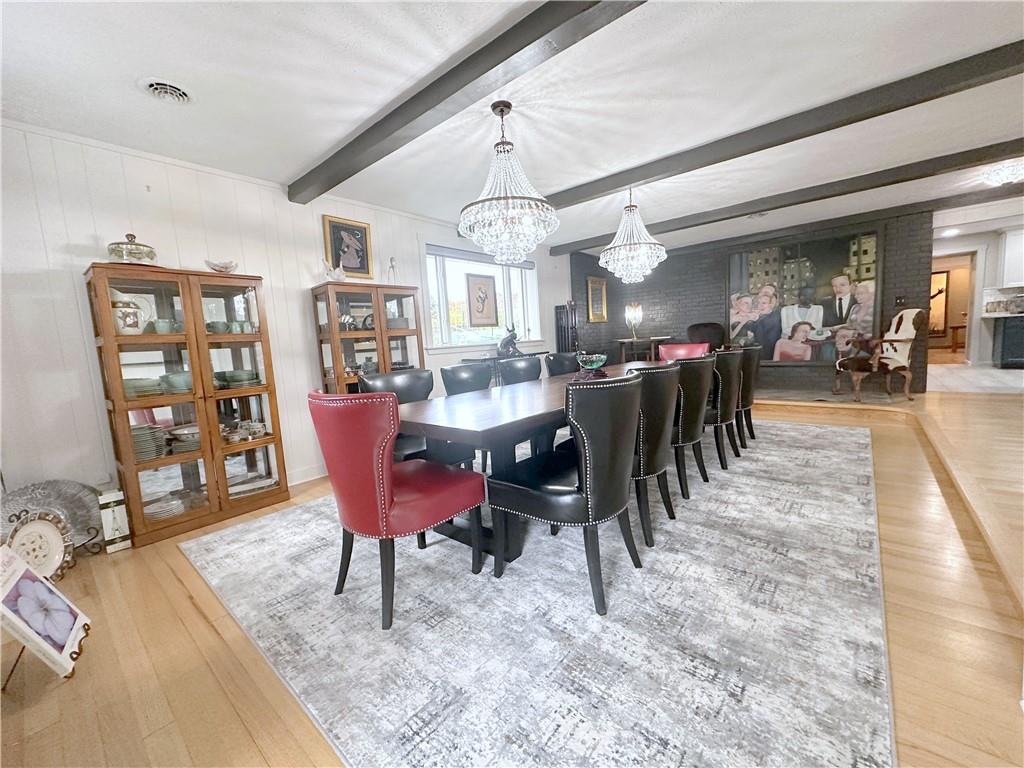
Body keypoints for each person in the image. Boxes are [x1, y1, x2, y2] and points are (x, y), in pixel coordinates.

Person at [752, 292, 782, 359]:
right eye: (759, 303)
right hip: (759, 353)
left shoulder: (775, 317)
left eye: (764, 303)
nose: (760, 306)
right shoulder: (759, 317)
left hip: (769, 353)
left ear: (771, 305)